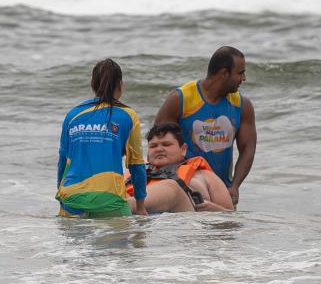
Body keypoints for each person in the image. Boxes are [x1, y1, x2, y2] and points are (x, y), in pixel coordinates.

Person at [154, 46, 256, 206]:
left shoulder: (242, 105)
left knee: (226, 231)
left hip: (223, 191)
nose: (244, 78)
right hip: (186, 190)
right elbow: (157, 147)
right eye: (240, 72)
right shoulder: (180, 99)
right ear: (224, 73)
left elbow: (248, 149)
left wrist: (235, 185)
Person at [56, 58, 147, 218]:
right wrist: (140, 207)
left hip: (71, 198)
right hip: (109, 199)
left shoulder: (73, 115)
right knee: (133, 240)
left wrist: (62, 196)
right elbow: (136, 165)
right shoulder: (128, 116)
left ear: (93, 84)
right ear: (120, 84)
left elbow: (63, 160)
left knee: (73, 244)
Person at [126, 122, 234, 213]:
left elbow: (233, 218)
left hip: (187, 221)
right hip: (145, 222)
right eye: (153, 146)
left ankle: (127, 206)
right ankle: (125, 206)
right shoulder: (134, 173)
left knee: (172, 186)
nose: (159, 149)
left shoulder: (205, 176)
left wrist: (215, 210)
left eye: (166, 144)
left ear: (183, 149)